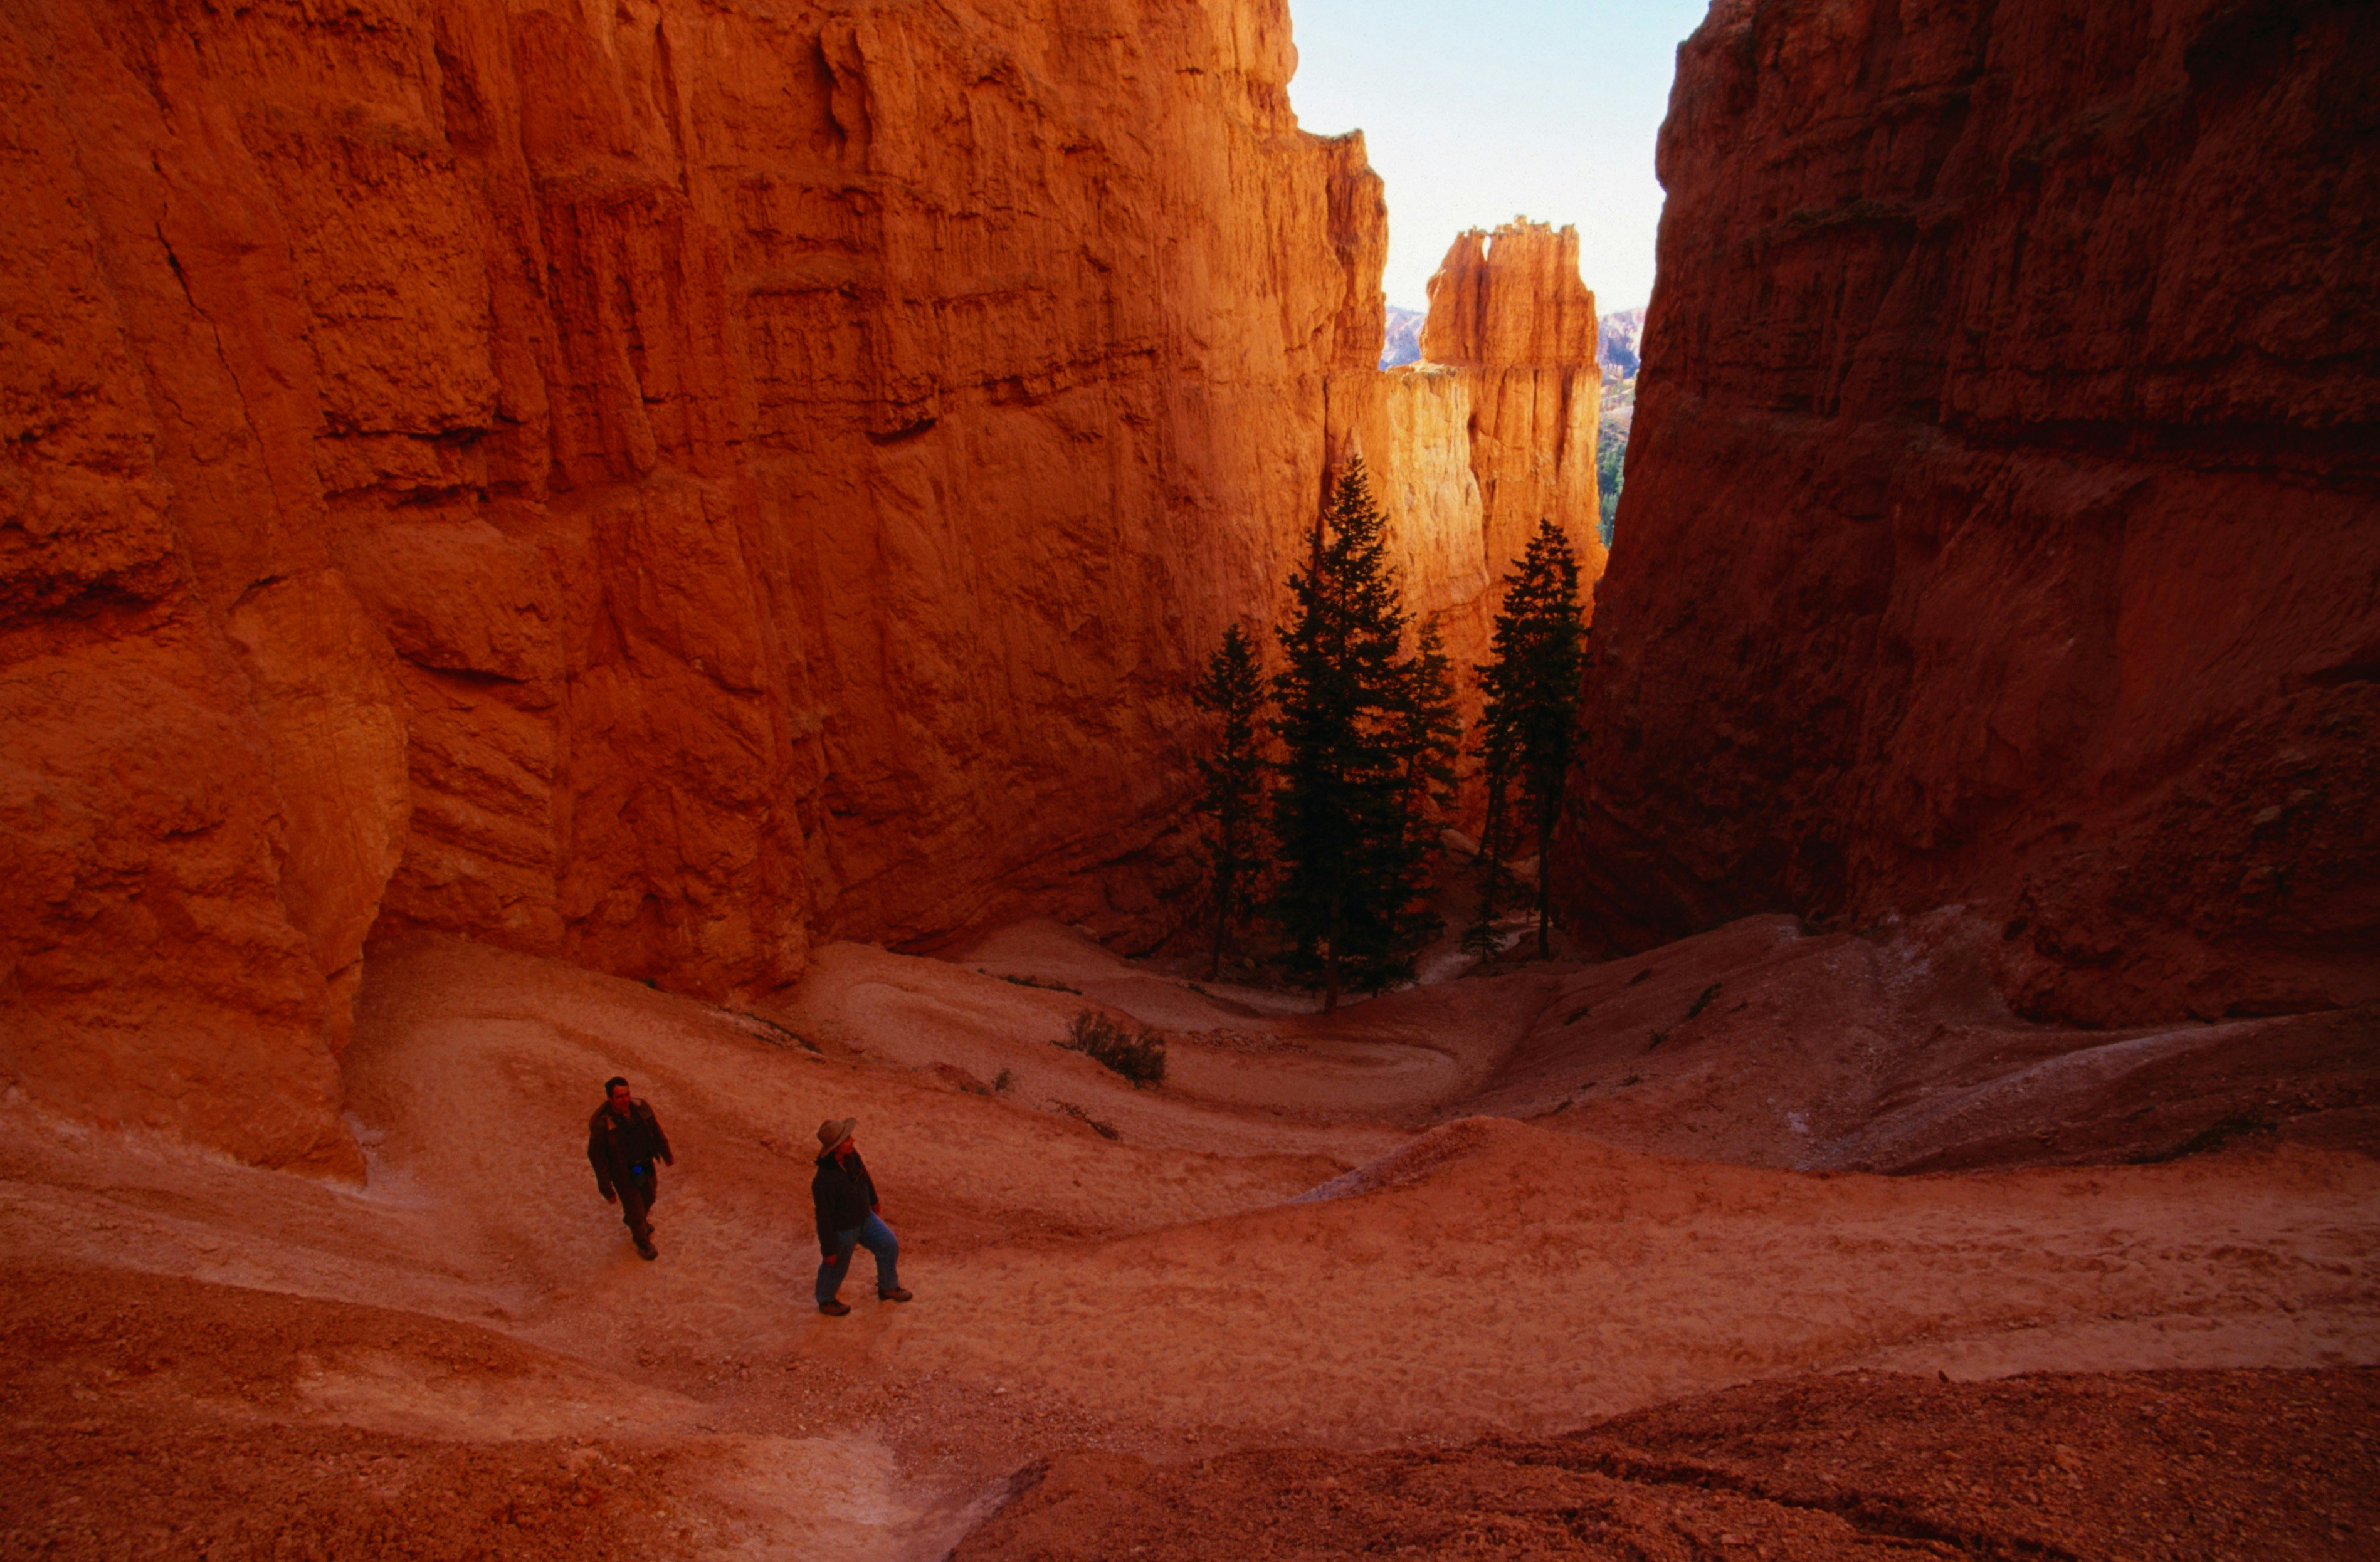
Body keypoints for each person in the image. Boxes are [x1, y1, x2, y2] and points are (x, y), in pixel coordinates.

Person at [811, 1117, 911, 1314]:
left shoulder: (851, 1156)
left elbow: (864, 1175)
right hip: (843, 1230)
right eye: (848, 1139)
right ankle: (826, 1300)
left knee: (888, 1244)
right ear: (837, 1147)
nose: (853, 1141)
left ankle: (888, 1287)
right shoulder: (823, 1181)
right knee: (836, 1267)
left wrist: (873, 1199)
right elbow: (823, 1218)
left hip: (866, 1219)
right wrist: (828, 1249)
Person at [587, 1076, 673, 1260]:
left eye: (627, 1094)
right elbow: (598, 1160)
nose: (625, 1099)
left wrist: (666, 1154)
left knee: (650, 1196)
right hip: (623, 1175)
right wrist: (606, 1189)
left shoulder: (640, 1109)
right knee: (635, 1207)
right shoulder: (603, 1126)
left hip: (644, 1166)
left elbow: (656, 1131)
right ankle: (642, 1240)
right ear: (610, 1099)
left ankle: (637, 1220)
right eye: (620, 1097)